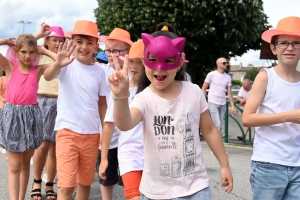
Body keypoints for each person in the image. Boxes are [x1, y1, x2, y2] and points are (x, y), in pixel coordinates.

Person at [102, 23, 233, 199]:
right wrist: (120, 96)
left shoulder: (193, 92)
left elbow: (209, 129)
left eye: (168, 60)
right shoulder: (144, 98)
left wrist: (224, 165)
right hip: (155, 192)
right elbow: (125, 124)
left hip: (196, 188)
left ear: (179, 63)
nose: (159, 68)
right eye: (153, 59)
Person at [44, 20, 107, 200]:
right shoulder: (66, 65)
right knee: (66, 185)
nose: (84, 47)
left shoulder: (100, 71)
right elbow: (48, 76)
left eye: (89, 42)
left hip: (92, 134)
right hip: (67, 132)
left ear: (96, 45)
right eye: (79, 42)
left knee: (85, 183)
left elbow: (102, 104)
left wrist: (104, 131)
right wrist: (58, 63)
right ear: (71, 43)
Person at [242, 16, 300, 199]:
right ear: (274, 48)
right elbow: (247, 118)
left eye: (296, 43)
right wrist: (288, 116)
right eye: (284, 43)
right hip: (268, 164)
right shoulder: (266, 77)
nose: (290, 48)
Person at [0, 28, 57, 200]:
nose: (27, 56)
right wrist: (3, 41)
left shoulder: (37, 70)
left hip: (31, 117)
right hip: (12, 116)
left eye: (32, 52)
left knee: (25, 164)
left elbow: (62, 61)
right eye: (23, 51)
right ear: (16, 52)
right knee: (15, 165)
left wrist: (45, 50)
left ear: (36, 53)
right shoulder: (10, 67)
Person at [101, 40, 145, 200]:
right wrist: (104, 158)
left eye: (139, 62)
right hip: (129, 153)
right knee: (134, 196)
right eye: (131, 60)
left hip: (154, 155)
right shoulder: (119, 89)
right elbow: (108, 125)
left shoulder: (155, 91)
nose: (134, 66)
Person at [96, 27, 133, 200]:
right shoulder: (101, 71)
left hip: (129, 134)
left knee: (130, 177)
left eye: (116, 50)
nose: (111, 54)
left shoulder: (135, 75)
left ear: (128, 52)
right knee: (106, 176)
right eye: (108, 50)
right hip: (107, 133)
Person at [31, 25, 66, 200]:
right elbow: (24, 45)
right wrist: (38, 35)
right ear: (46, 40)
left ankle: (50, 184)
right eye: (54, 39)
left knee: (55, 148)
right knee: (42, 145)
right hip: (43, 100)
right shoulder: (38, 54)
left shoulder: (66, 56)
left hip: (63, 103)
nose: (58, 43)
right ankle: (37, 182)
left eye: (61, 40)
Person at [201, 57, 237, 137]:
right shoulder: (211, 75)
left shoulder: (228, 77)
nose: (226, 64)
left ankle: (215, 142)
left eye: (226, 63)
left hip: (223, 103)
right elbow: (204, 88)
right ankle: (215, 145)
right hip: (212, 102)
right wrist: (204, 102)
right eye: (224, 63)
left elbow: (229, 93)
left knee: (220, 124)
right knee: (217, 123)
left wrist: (233, 106)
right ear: (218, 64)